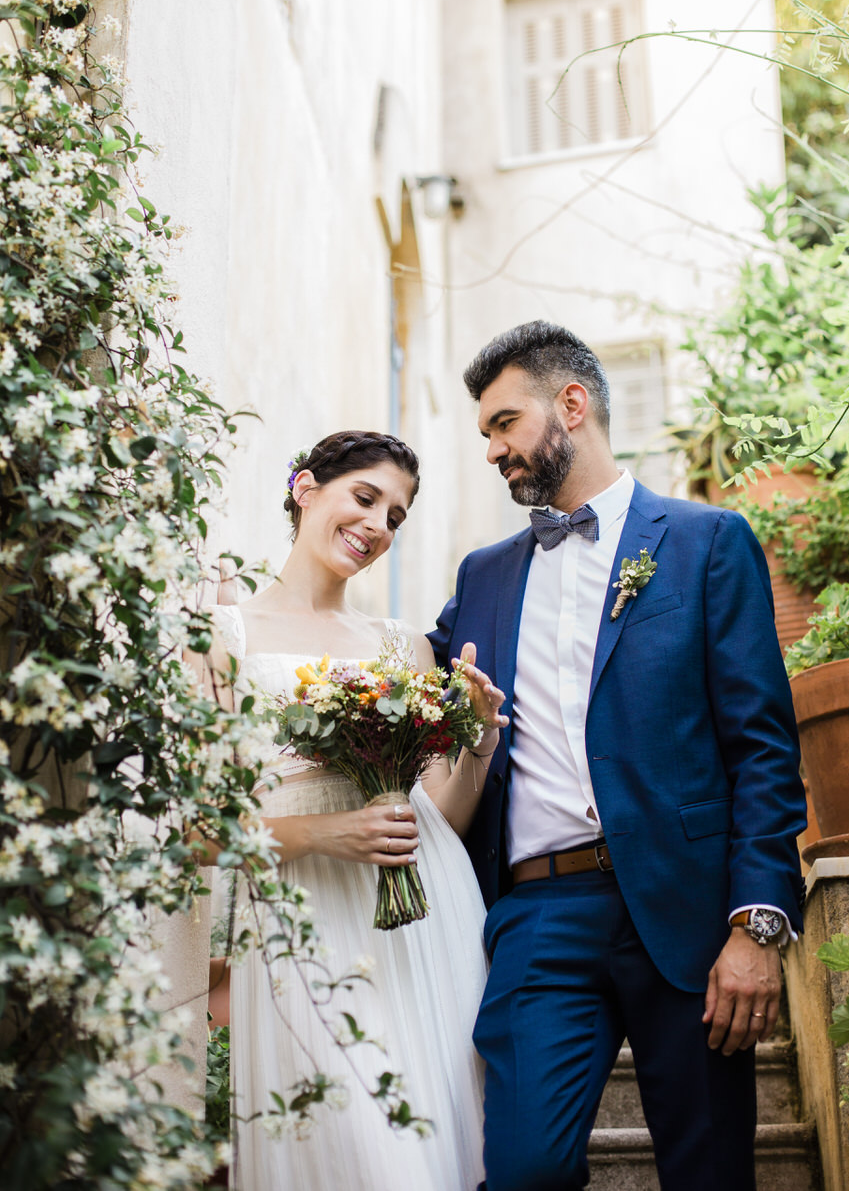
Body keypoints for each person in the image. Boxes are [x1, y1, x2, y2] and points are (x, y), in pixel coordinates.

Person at [428, 322, 807, 1191]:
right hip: (537, 916)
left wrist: (756, 925)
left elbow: (761, 748)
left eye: (503, 423)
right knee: (523, 1170)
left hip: (688, 911)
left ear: (573, 404)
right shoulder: (481, 577)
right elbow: (399, 689)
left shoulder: (707, 542)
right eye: (485, 431)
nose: (491, 449)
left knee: (710, 1173)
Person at [193, 430, 506, 1191]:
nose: (378, 525)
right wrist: (328, 832)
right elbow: (205, 833)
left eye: (396, 515)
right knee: (364, 1151)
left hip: (425, 918)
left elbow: (439, 816)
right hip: (306, 919)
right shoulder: (221, 639)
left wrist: (480, 741)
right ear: (305, 489)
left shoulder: (404, 646)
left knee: (436, 1145)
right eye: (364, 498)